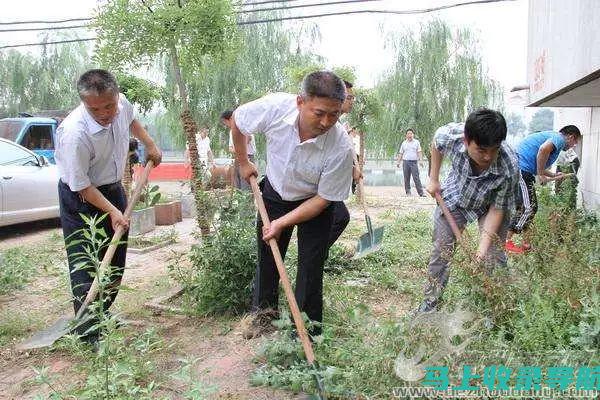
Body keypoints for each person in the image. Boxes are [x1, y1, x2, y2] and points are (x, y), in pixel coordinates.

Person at [230, 71, 354, 338]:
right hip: (274, 192)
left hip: (314, 203)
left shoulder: (341, 146)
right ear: (300, 102)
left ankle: (306, 330)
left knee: (311, 264)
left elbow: (324, 199)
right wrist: (243, 162)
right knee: (268, 259)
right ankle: (263, 319)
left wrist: (283, 223)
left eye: (334, 115)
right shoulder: (274, 108)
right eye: (319, 113)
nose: (326, 121)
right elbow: (238, 122)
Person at [54, 69, 162, 344]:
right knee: (86, 261)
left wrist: (150, 144)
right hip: (81, 199)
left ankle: (101, 313)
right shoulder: (74, 134)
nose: (104, 113)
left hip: (112, 189)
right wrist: (113, 212)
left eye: (109, 105)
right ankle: (88, 334)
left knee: (114, 260)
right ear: (84, 103)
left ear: (115, 96)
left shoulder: (121, 104)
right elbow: (81, 186)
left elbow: (131, 119)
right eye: (95, 108)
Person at [417, 108, 520, 313]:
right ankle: (430, 302)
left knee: (493, 256)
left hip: (490, 205)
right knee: (442, 251)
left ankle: (497, 306)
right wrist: (434, 178)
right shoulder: (452, 136)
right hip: (456, 197)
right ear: (466, 141)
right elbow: (437, 143)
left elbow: (497, 210)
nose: (488, 156)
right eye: (481, 150)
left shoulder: (509, 167)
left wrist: (481, 251)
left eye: (494, 149)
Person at [505, 125, 581, 253]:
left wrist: (554, 175)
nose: (574, 145)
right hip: (520, 170)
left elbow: (538, 163)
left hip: (522, 170)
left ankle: (526, 244)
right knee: (529, 208)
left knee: (527, 207)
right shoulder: (559, 138)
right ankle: (505, 241)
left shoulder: (554, 138)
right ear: (571, 137)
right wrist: (540, 174)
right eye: (575, 142)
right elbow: (543, 149)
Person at [328, 79, 362, 248]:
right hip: (320, 184)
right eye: (349, 97)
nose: (351, 101)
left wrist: (354, 168)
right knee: (341, 217)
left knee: (339, 217)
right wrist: (352, 169)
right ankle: (319, 253)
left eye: (352, 98)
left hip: (329, 185)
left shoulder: (339, 125)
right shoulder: (328, 123)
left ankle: (320, 253)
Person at [222, 110, 256, 191]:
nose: (225, 125)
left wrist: (237, 149)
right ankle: (240, 201)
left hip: (247, 157)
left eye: (225, 122)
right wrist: (237, 150)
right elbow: (230, 148)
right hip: (237, 158)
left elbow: (247, 139)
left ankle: (247, 202)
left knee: (245, 182)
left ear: (230, 119)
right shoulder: (231, 131)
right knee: (237, 182)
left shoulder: (243, 126)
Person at [397, 128, 425, 197]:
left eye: (411, 133)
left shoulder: (416, 142)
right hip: (405, 162)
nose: (410, 135)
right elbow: (401, 153)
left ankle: (421, 193)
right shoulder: (404, 143)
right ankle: (408, 192)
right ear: (406, 135)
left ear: (413, 135)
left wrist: (421, 160)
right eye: (408, 134)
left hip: (414, 162)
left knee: (416, 177)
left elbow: (419, 152)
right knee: (406, 177)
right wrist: (398, 162)